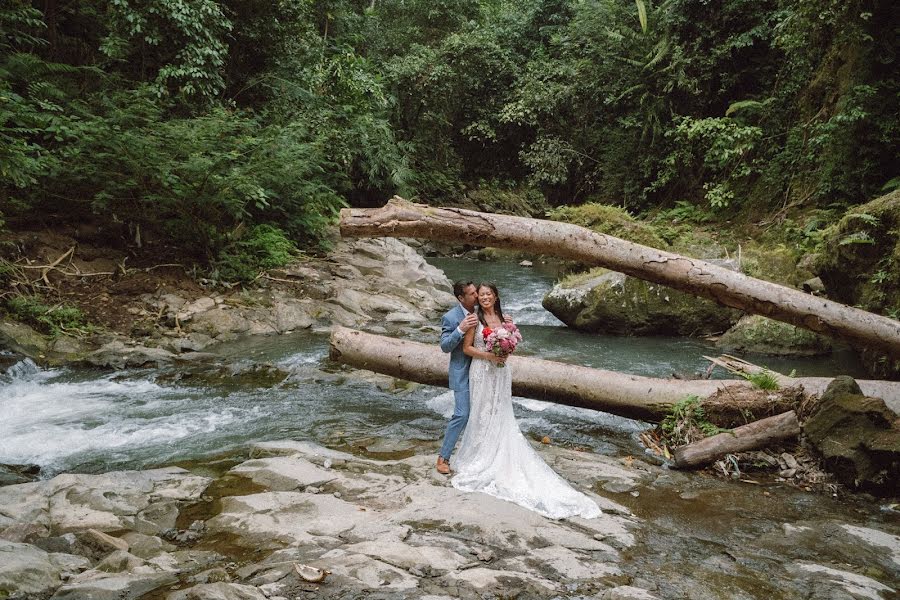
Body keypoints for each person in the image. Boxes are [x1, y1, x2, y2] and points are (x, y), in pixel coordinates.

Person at [451, 282, 602, 520]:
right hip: (481, 371)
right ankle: (478, 455)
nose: (485, 298)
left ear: (496, 296)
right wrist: (489, 355)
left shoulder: (504, 319)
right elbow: (468, 349)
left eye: (489, 294)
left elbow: (509, 344)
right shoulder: (473, 319)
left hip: (500, 371)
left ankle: (499, 449)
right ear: (477, 299)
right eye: (481, 295)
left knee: (500, 411)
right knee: (482, 411)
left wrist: (505, 350)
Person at [436, 281, 479, 475]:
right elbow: (445, 346)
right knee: (462, 414)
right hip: (462, 373)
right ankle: (443, 457)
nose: (477, 295)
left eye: (476, 291)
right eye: (472, 293)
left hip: (483, 372)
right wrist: (460, 329)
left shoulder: (483, 311)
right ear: (461, 298)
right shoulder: (451, 317)